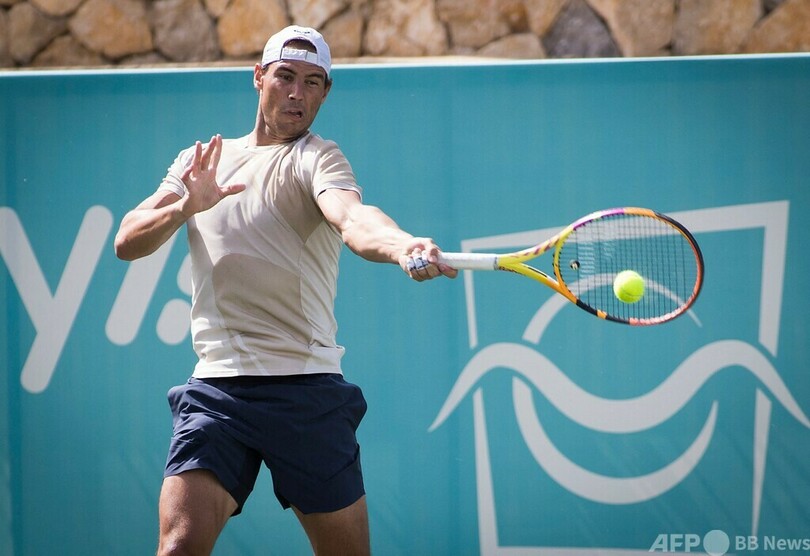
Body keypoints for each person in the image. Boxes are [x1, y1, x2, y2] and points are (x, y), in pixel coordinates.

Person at [114, 25, 457, 556]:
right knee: (179, 545)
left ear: (325, 92)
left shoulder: (318, 157)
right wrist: (185, 205)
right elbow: (127, 241)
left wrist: (401, 245)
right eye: (285, 77)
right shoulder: (201, 162)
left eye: (312, 82)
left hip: (306, 388)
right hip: (218, 390)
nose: (297, 93)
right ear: (259, 77)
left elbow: (354, 219)